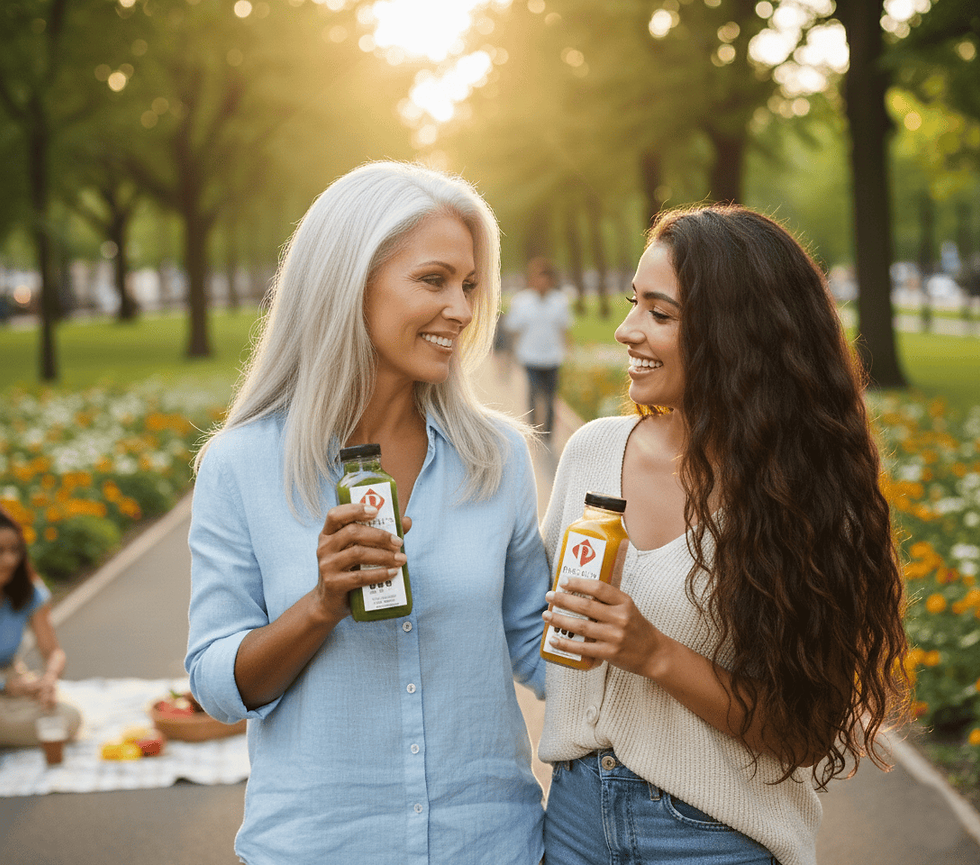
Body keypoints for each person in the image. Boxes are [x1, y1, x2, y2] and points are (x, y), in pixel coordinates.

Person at [186, 161, 551, 865]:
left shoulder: (497, 455)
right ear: (348, 280)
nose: (464, 310)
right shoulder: (241, 465)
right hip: (317, 847)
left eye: (471, 285)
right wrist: (320, 605)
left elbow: (534, 639)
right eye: (434, 279)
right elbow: (216, 683)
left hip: (491, 845)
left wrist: (647, 648)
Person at [537, 204, 910, 865]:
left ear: (735, 332)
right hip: (573, 822)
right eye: (633, 304)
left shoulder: (800, 498)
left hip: (711, 836)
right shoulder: (593, 451)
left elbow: (804, 733)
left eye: (660, 312)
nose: (627, 330)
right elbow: (531, 629)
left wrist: (654, 652)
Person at [0, 507, 82, 747]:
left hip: (14, 682)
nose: (9, 560)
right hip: (9, 686)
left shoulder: (28, 590)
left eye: (14, 550)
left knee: (69, 720)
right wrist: (7, 686)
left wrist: (49, 679)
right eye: (0, 551)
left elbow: (52, 652)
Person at [504, 256, 571, 436]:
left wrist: (569, 351)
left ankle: (548, 431)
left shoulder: (560, 301)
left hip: (552, 356)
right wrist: (508, 357)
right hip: (530, 356)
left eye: (546, 278)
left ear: (551, 280)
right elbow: (513, 328)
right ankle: (533, 427)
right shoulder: (521, 302)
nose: (542, 282)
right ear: (532, 280)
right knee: (533, 393)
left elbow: (564, 328)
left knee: (550, 396)